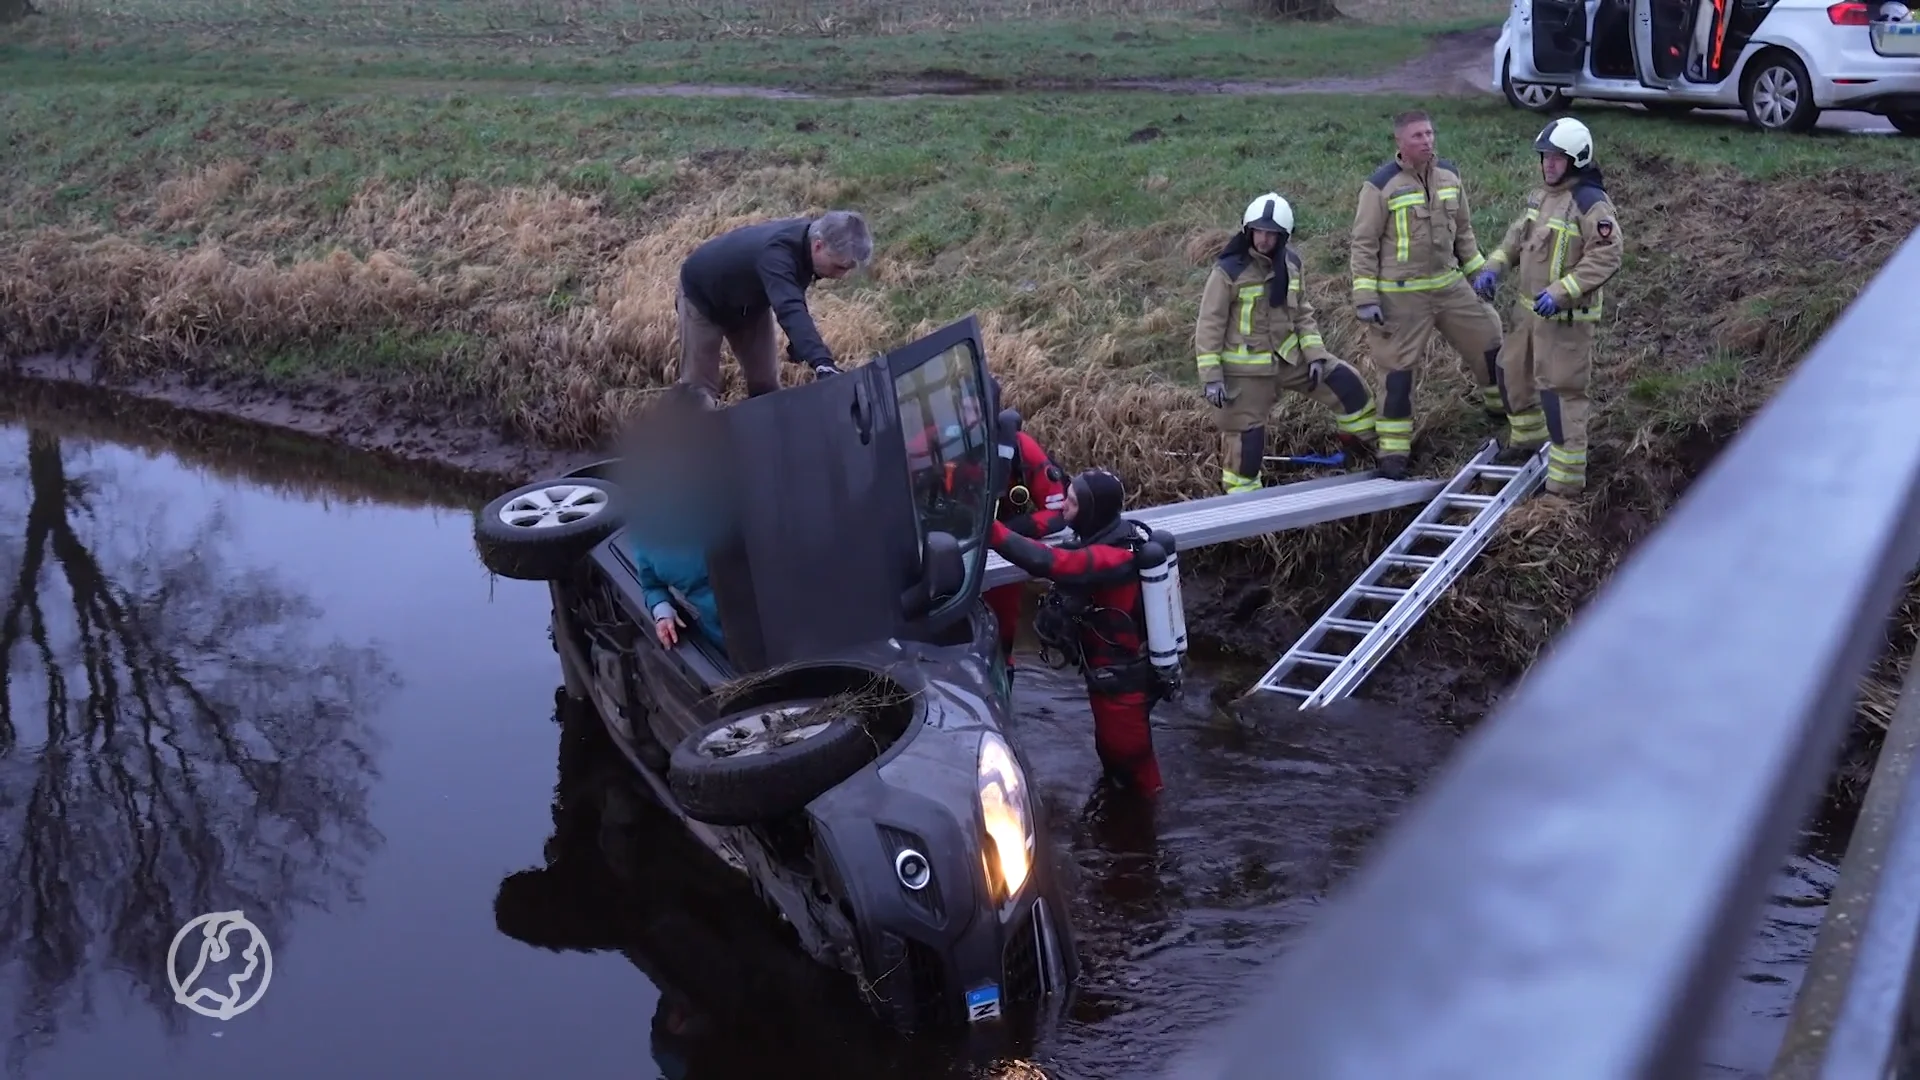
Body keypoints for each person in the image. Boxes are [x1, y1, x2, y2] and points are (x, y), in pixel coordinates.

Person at [1349, 109, 1509, 481]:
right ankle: (1393, 451)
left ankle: (1501, 409)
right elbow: (1363, 244)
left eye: (1430, 134)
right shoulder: (1380, 186)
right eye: (1418, 136)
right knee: (1398, 371)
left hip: (1449, 285)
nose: (1427, 141)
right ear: (1400, 143)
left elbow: (1464, 233)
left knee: (1488, 335)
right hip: (1400, 297)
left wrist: (1479, 275)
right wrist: (1366, 297)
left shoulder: (1450, 176)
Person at [987, 468, 1167, 798]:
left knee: (1132, 766)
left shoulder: (1112, 557)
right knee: (1114, 762)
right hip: (1109, 680)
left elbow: (1050, 562)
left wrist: (988, 527)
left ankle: (1148, 836)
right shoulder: (1105, 538)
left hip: (1122, 686)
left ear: (1091, 510)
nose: (1062, 507)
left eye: (1071, 502)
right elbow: (1062, 555)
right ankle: (1119, 828)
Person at [1470, 117, 1624, 498]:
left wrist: (1562, 292)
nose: (1548, 164)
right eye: (1545, 157)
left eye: (1557, 158)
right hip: (1528, 315)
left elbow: (1606, 257)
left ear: (1577, 160)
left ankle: (1565, 481)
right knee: (1511, 372)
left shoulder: (1591, 204)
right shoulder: (1541, 197)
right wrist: (1494, 266)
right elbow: (1515, 238)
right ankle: (1527, 440)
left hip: (1566, 321)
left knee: (1561, 392)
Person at [1196, 192, 1381, 496]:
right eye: (1258, 231)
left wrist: (1316, 356)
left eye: (1272, 234)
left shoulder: (1291, 264)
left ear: (1283, 236)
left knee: (1348, 386)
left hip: (1288, 358)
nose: (1264, 240)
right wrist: (1212, 379)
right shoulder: (1228, 271)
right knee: (1247, 444)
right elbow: (1209, 326)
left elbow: (1303, 313)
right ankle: (1243, 506)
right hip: (1244, 373)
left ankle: (1365, 453)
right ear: (1248, 230)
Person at [675, 210, 874, 402]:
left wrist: (801, 345)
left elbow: (793, 296)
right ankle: (699, 434)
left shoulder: (806, 244)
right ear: (819, 246)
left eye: (847, 269)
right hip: (702, 297)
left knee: (765, 386)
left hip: (749, 304)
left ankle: (764, 432)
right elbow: (789, 307)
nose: (841, 275)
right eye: (839, 267)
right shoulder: (777, 254)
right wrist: (823, 363)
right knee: (699, 393)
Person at [979, 376, 1070, 683]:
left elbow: (1058, 509)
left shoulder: (1019, 449)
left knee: (1002, 630)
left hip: (1004, 547)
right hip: (945, 547)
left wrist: (1021, 528)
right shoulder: (935, 442)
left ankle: (1004, 677)